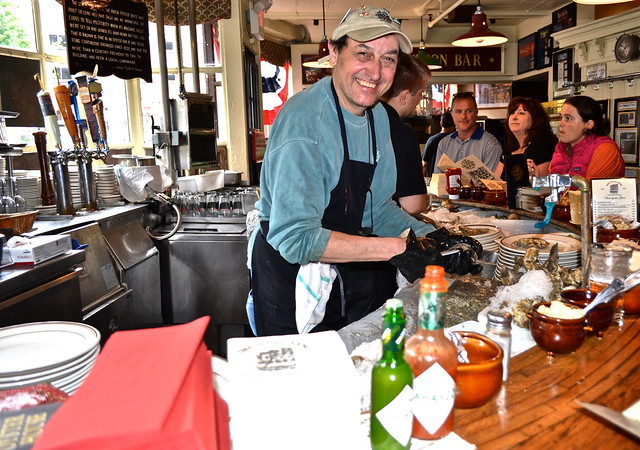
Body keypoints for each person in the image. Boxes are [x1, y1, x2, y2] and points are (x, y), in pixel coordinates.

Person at [249, 6, 482, 337]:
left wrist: (432, 238)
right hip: (289, 272)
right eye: (363, 53)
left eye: (388, 58)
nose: (375, 71)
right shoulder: (305, 122)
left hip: (344, 264)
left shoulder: (379, 117)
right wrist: (396, 248)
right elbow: (296, 237)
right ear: (334, 52)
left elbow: (377, 206)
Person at [379, 52, 430, 215]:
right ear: (405, 96)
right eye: (420, 93)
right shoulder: (402, 135)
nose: (420, 99)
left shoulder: (358, 121)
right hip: (379, 232)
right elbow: (413, 205)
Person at [549, 95, 625, 180]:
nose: (561, 123)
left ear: (588, 124)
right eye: (561, 117)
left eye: (568, 118)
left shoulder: (605, 150)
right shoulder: (561, 148)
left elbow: (591, 190)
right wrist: (538, 178)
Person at [433, 92, 502, 174]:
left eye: (469, 111)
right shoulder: (443, 144)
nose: (463, 116)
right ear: (451, 114)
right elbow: (438, 180)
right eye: (458, 111)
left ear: (476, 112)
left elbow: (490, 184)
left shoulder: (491, 145)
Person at [494, 96, 557, 180]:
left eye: (521, 113)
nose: (514, 117)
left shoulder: (543, 144)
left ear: (535, 119)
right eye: (512, 113)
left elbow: (541, 186)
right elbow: (495, 180)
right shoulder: (510, 147)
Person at [422, 110, 454, 177]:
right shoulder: (456, 140)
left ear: (441, 124)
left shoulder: (432, 140)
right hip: (452, 179)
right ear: (454, 123)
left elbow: (425, 164)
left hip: (435, 179)